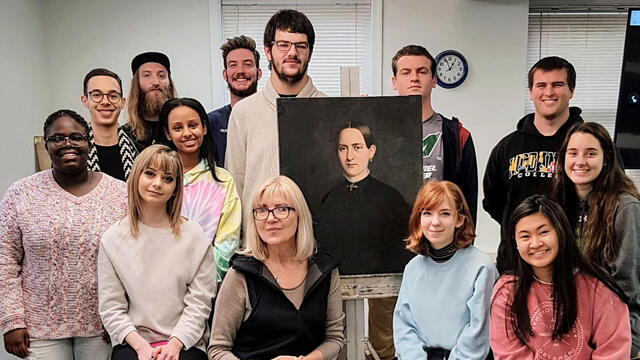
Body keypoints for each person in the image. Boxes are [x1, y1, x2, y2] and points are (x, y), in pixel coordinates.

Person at [0, 109, 127, 360]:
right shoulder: (21, 193)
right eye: (57, 138)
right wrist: (11, 320)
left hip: (101, 325)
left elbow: (130, 261)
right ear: (46, 145)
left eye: (76, 137)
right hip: (40, 328)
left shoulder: (120, 194)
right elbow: (5, 260)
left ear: (88, 142)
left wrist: (121, 315)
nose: (67, 144)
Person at [98, 145, 216, 360]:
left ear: (175, 188)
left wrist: (175, 344)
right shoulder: (113, 239)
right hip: (134, 342)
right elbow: (111, 308)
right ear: (136, 176)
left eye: (168, 178)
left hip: (185, 343)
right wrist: (141, 347)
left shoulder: (194, 236)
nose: (157, 183)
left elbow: (199, 304)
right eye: (150, 173)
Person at [208, 176, 345, 360]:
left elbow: (335, 338)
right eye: (262, 210)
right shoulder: (240, 275)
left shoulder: (325, 270)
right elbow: (218, 350)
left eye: (282, 209)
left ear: (300, 215)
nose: (271, 218)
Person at [490, 195, 631, 359]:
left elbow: (614, 352)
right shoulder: (507, 292)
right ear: (515, 243)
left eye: (543, 232)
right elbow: (508, 354)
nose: (535, 243)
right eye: (525, 236)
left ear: (561, 232)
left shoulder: (598, 289)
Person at [315, 121, 409, 360]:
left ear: (371, 151)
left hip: (384, 284)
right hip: (338, 284)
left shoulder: (391, 198)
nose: (350, 156)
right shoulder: (328, 199)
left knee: (384, 344)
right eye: (343, 148)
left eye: (357, 147)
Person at [225, 9, 326, 234]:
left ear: (309, 52)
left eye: (300, 45)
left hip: (317, 247)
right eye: (283, 44)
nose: (292, 52)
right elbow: (235, 189)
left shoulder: (330, 110)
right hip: (259, 248)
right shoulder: (244, 113)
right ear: (268, 51)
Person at [483, 56, 584, 273]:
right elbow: (493, 202)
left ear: (571, 91)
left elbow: (610, 199)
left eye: (557, 84)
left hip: (574, 267)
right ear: (531, 92)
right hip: (516, 266)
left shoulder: (591, 145)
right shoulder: (507, 147)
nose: (549, 92)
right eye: (541, 85)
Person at [553, 121, 640, 357]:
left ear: (607, 158)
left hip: (618, 326)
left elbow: (625, 285)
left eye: (590, 153)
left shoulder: (626, 207)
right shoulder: (559, 204)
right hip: (573, 323)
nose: (580, 161)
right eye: (573, 153)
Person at [393, 181, 497, 360]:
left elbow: (479, 332)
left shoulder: (482, 267)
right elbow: (404, 326)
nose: (435, 222)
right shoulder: (412, 269)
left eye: (445, 214)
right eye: (427, 213)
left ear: (459, 220)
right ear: (419, 218)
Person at [391, 45, 478, 223]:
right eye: (406, 72)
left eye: (422, 72)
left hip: (438, 233)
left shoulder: (458, 136)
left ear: (434, 80)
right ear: (394, 82)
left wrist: (463, 245)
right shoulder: (380, 132)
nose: (414, 78)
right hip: (393, 233)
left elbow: (468, 200)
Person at [160, 97, 241, 282]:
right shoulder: (157, 180)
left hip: (208, 286)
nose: (187, 133)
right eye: (178, 128)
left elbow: (228, 243)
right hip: (162, 283)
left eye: (193, 125)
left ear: (204, 128)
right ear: (167, 133)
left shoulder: (222, 180)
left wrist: (204, 280)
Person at [208, 35, 262, 166]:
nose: (240, 71)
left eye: (248, 64)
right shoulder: (211, 122)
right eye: (233, 65)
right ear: (225, 74)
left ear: (259, 73)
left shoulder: (272, 117)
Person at [81, 68, 139, 180]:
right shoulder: (73, 152)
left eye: (113, 96)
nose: (105, 102)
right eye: (97, 95)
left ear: (122, 102)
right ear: (85, 101)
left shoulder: (138, 149)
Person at [125, 51, 178, 151]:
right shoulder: (125, 136)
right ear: (136, 84)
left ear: (170, 83)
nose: (155, 82)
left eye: (161, 75)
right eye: (147, 75)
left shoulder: (181, 132)